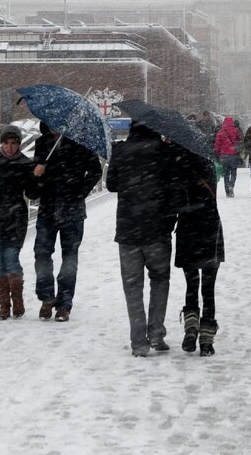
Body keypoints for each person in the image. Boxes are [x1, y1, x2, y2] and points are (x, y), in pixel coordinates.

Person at [106, 121, 180, 357]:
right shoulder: (164, 151)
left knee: (132, 286)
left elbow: (111, 185)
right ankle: (156, 333)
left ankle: (139, 342)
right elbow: (174, 188)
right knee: (160, 280)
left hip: (128, 229)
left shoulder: (120, 151)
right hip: (157, 229)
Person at [32, 122, 102, 323]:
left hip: (73, 210)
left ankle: (64, 304)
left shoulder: (81, 143)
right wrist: (38, 174)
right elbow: (36, 175)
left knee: (69, 257)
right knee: (42, 252)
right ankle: (46, 297)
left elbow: (95, 171)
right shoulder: (42, 143)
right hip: (48, 207)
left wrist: (79, 193)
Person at [0, 124, 40, 320]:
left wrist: (36, 177)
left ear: (19, 144)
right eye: (6, 143)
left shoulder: (25, 163)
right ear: (1, 143)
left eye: (14, 143)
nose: (10, 147)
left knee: (12, 258)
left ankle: (18, 303)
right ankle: (4, 307)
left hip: (16, 218)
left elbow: (32, 193)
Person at [173, 145, 224, 356]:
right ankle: (206, 340)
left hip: (187, 231)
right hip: (210, 230)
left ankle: (191, 329)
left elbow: (174, 202)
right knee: (208, 289)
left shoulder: (178, 170)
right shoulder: (208, 166)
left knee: (191, 285)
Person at [213, 116, 242, 197]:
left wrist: (216, 152)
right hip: (234, 155)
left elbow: (217, 144)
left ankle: (227, 192)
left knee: (226, 174)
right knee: (233, 172)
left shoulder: (221, 132)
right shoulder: (236, 130)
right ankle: (231, 185)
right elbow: (240, 140)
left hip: (224, 156)